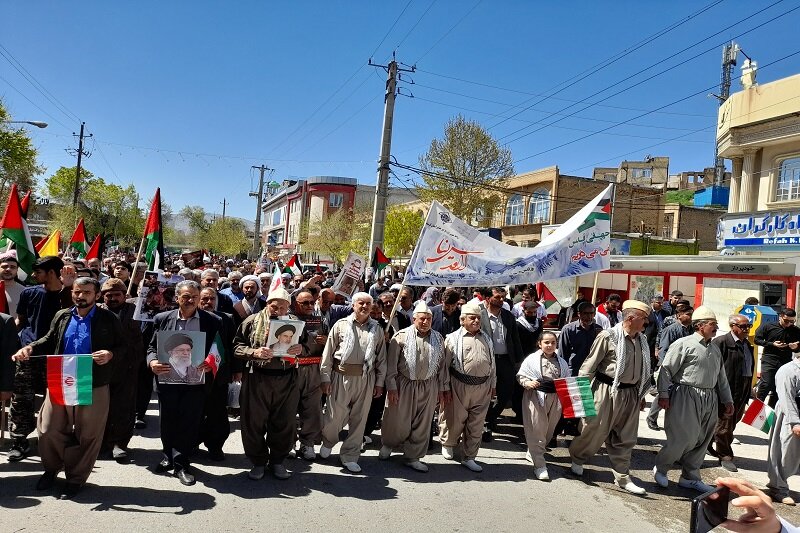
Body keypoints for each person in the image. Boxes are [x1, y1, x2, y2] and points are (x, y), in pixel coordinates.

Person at [12, 277, 122, 498]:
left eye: (86, 293)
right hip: (61, 377)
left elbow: (124, 347)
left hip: (93, 380)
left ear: (97, 295)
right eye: (76, 292)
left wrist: (111, 354)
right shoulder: (62, 315)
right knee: (49, 427)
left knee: (88, 434)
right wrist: (30, 348)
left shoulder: (108, 318)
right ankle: (51, 470)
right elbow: (49, 338)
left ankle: (76, 478)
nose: (80, 296)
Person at [569, 300, 652, 496]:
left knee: (626, 437)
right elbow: (588, 367)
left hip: (631, 393)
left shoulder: (642, 340)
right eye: (644, 319)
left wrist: (641, 395)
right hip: (605, 391)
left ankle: (622, 477)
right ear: (631, 318)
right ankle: (578, 458)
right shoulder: (608, 337)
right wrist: (580, 396)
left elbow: (643, 370)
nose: (647, 322)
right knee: (593, 429)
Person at [147, 280, 222, 486]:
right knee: (167, 421)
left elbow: (219, 348)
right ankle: (167, 456)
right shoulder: (162, 319)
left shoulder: (212, 321)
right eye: (186, 296)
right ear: (177, 297)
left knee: (188, 422)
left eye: (194, 297)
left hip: (195, 382)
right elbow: (151, 347)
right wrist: (152, 361)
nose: (190, 300)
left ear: (199, 299)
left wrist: (211, 362)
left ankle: (181, 464)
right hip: (167, 380)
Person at [654, 306, 734, 493]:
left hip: (710, 398)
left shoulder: (715, 348)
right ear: (700, 326)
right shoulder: (683, 344)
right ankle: (662, 467)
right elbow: (665, 371)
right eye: (712, 324)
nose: (715, 327)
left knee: (703, 439)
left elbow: (721, 377)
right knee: (683, 438)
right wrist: (663, 395)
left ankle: (690, 476)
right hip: (686, 396)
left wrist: (727, 400)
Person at [8, 255, 73, 462]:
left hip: (58, 358)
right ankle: (19, 441)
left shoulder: (71, 295)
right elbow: (21, 320)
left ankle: (57, 441)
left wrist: (69, 288)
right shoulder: (29, 293)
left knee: (59, 401)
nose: (34, 275)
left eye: (38, 272)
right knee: (21, 400)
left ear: (52, 273)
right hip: (28, 355)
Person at [234, 287, 303, 481]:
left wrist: (300, 348)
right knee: (253, 422)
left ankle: (277, 461)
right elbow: (237, 346)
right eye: (275, 307)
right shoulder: (251, 321)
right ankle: (257, 462)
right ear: (267, 304)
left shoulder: (295, 324)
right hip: (257, 378)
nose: (279, 311)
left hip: (286, 379)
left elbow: (307, 346)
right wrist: (253, 353)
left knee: (284, 422)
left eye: (283, 307)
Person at [319, 292, 387, 473]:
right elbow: (327, 354)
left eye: (368, 304)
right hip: (340, 377)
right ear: (353, 305)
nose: (364, 307)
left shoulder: (377, 329)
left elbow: (381, 359)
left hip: (366, 379)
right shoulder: (340, 325)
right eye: (361, 303)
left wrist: (379, 382)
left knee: (359, 419)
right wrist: (325, 378)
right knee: (334, 416)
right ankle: (328, 442)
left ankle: (350, 455)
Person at [379, 302, 447, 472]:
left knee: (423, 423)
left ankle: (413, 456)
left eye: (429, 319)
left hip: (428, 386)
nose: (425, 322)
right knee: (397, 420)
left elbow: (442, 367)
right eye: (422, 318)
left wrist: (441, 389)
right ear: (414, 319)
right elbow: (391, 366)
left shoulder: (439, 338)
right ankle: (389, 444)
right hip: (404, 385)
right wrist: (392, 387)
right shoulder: (401, 337)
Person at [439, 302, 495, 472]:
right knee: (454, 419)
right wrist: (445, 388)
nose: (476, 321)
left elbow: (493, 365)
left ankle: (469, 456)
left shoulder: (486, 338)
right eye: (472, 318)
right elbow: (444, 367)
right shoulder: (452, 339)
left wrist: (493, 385)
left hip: (483, 387)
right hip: (458, 386)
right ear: (462, 320)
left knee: (476, 424)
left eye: (478, 318)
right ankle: (448, 444)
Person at [99, 278, 144, 463]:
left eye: (117, 295)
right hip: (101, 367)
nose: (113, 298)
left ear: (125, 295)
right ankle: (100, 442)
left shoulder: (137, 311)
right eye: (108, 295)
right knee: (100, 408)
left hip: (128, 366)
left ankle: (119, 443)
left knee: (123, 407)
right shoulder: (97, 312)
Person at [517, 331, 568, 481]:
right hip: (535, 396)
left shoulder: (562, 362)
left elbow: (566, 379)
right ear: (539, 344)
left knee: (548, 431)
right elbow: (521, 375)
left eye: (553, 342)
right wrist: (527, 383)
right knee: (536, 429)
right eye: (546, 342)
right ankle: (540, 466)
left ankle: (532, 452)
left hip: (555, 399)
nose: (550, 345)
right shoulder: (531, 359)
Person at [710, 314, 755, 472]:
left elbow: (748, 370)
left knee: (733, 422)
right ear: (732, 326)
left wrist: (750, 389)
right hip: (726, 389)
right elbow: (713, 368)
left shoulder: (747, 345)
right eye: (743, 326)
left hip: (742, 390)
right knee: (724, 425)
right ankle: (725, 456)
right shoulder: (721, 342)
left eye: (748, 326)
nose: (746, 329)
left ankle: (707, 445)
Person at [197, 286, 236, 460]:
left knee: (217, 413)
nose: (208, 302)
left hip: (218, 375)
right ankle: (192, 444)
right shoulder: (192, 318)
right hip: (193, 375)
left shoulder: (226, 319)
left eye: (211, 299)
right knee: (195, 412)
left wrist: (237, 370)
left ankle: (215, 446)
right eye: (204, 299)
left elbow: (233, 346)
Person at [482, 286, 523, 437]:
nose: (502, 300)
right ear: (488, 298)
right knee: (487, 393)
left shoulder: (508, 316)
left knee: (505, 394)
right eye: (498, 297)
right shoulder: (480, 316)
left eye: (503, 297)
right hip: (488, 362)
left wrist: (518, 361)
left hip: (506, 361)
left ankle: (490, 418)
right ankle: (486, 423)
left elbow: (515, 339)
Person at [646, 304, 693, 431]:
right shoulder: (671, 330)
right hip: (670, 368)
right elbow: (663, 350)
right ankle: (651, 418)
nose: (690, 317)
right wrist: (665, 368)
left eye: (691, 314)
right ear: (679, 315)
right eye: (688, 314)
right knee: (664, 392)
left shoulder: (691, 330)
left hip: (683, 369)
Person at [291, 289, 326, 460]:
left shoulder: (320, 321)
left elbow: (331, 345)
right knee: (288, 408)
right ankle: (289, 442)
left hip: (313, 370)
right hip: (292, 369)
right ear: (295, 303)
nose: (310, 306)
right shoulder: (288, 320)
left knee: (312, 408)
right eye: (305, 303)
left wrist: (325, 341)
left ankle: (308, 443)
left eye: (312, 302)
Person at [767, 348, 800, 505]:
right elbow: (787, 398)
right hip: (790, 414)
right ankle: (778, 488)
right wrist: (795, 422)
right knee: (785, 452)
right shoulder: (787, 371)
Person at [755, 308, 800, 408]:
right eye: (786, 321)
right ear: (780, 317)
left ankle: (772, 410)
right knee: (766, 384)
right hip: (769, 359)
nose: (789, 324)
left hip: (785, 360)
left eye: (792, 321)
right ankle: (756, 408)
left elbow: (798, 349)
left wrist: (796, 347)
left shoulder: (796, 331)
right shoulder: (768, 326)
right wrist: (772, 344)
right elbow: (757, 340)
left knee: (779, 386)